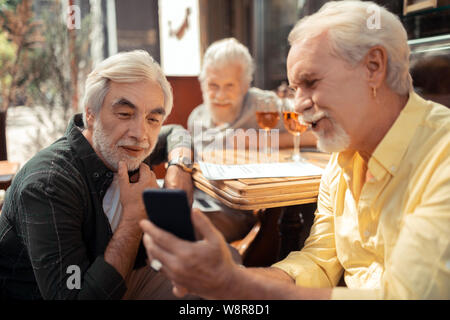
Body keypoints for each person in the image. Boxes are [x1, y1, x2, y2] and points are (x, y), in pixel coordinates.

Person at [141, 1, 450, 300]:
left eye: (311, 82)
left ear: (373, 67)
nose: (299, 106)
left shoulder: (442, 155)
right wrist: (231, 281)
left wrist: (236, 284)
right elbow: (318, 261)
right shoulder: (341, 161)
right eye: (294, 89)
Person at [0, 50, 195, 300]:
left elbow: (176, 133)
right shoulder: (49, 184)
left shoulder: (125, 144)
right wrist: (133, 218)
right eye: (124, 114)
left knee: (219, 276)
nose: (140, 133)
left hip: (118, 279)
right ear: (90, 114)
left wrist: (179, 167)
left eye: (153, 118)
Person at [187, 38, 317, 242]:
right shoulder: (197, 116)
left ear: (246, 84)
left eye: (229, 85)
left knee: (181, 229)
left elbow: (314, 133)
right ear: (202, 83)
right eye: (213, 85)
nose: (220, 95)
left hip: (236, 210)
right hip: (197, 199)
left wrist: (263, 140)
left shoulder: (263, 105)